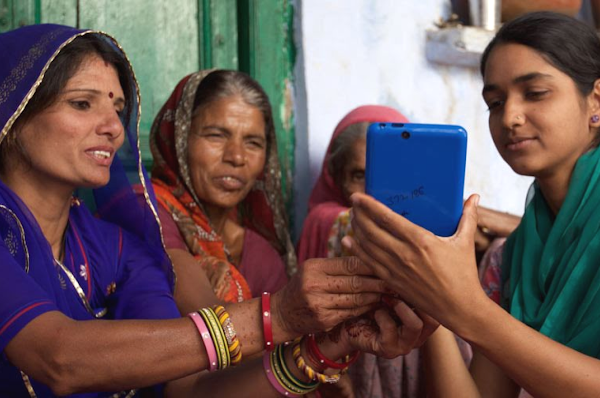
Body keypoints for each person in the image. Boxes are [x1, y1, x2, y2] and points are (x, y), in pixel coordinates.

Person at [0, 24, 437, 397]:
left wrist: (324, 347)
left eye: (117, 108)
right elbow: (57, 357)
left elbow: (188, 387)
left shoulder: (120, 247)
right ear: (12, 112)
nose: (114, 128)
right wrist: (279, 316)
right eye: (82, 103)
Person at [345, 11, 600, 397]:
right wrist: (434, 303)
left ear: (596, 99)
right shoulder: (519, 253)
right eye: (495, 102)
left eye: (535, 93)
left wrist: (467, 308)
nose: (510, 117)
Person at [150, 69, 293, 306]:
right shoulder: (147, 210)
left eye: (253, 142)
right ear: (180, 140)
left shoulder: (260, 255)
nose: (237, 157)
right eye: (216, 135)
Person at [297, 105, 408, 263]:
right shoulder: (322, 221)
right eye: (359, 176)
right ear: (337, 176)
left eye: (389, 176)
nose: (372, 193)